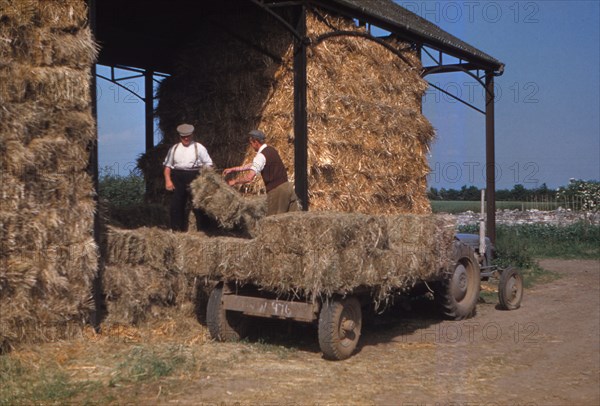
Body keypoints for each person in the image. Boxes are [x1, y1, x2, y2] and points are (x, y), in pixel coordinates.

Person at [223, 129, 300, 216]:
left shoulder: (261, 156)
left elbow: (249, 178)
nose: (251, 146)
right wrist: (234, 169)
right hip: (288, 188)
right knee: (294, 219)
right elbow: (253, 165)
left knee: (275, 221)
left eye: (251, 143)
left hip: (278, 192)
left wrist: (234, 182)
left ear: (256, 141)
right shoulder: (271, 150)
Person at [163, 123, 214, 231]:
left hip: (194, 176)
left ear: (192, 135)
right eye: (183, 136)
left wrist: (205, 180)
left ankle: (204, 231)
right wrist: (168, 181)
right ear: (179, 136)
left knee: (199, 205)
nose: (186, 138)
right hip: (178, 177)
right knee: (176, 206)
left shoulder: (199, 148)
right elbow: (167, 167)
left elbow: (209, 164)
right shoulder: (174, 149)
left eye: (188, 136)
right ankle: (176, 231)